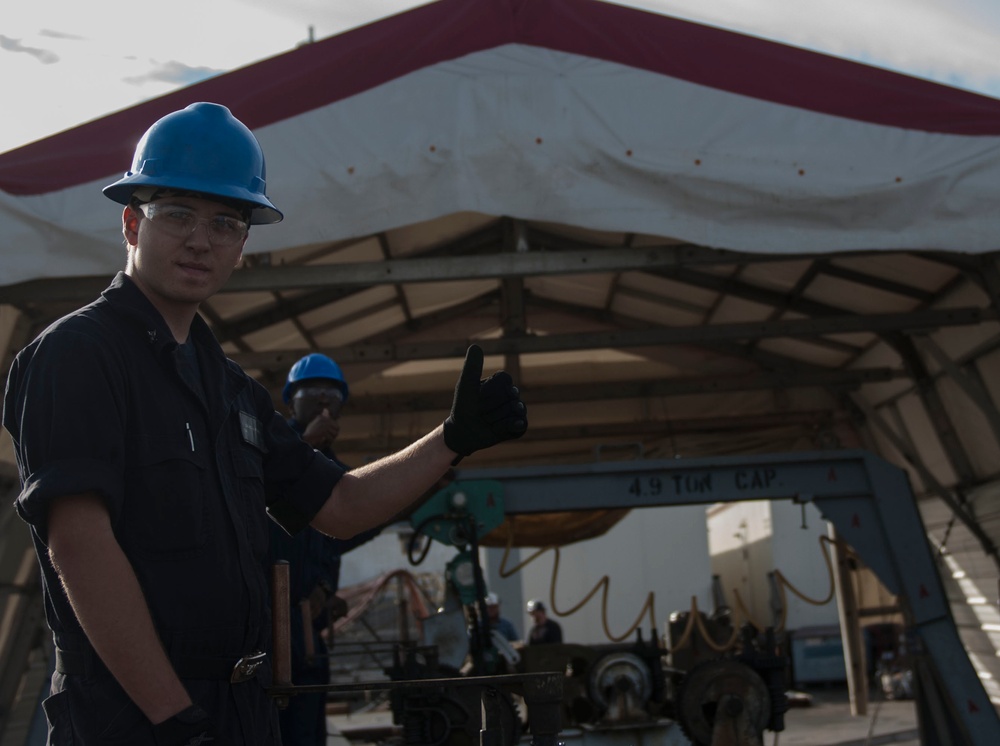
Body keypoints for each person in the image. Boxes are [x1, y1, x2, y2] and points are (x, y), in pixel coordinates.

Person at [1, 102, 527, 746]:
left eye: (225, 221)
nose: (202, 239)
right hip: (136, 719)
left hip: (244, 711)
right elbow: (79, 545)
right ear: (132, 224)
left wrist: (452, 439)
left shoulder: (230, 391)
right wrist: (174, 720)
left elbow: (339, 503)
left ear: (244, 245)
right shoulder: (80, 355)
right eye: (178, 215)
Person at [268, 354, 376, 746]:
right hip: (268, 625)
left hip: (309, 632)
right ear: (290, 403)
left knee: (309, 730)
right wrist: (305, 445)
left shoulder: (339, 477)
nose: (324, 402)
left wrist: (326, 590)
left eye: (333, 394)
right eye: (312, 392)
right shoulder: (267, 452)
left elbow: (334, 543)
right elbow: (265, 522)